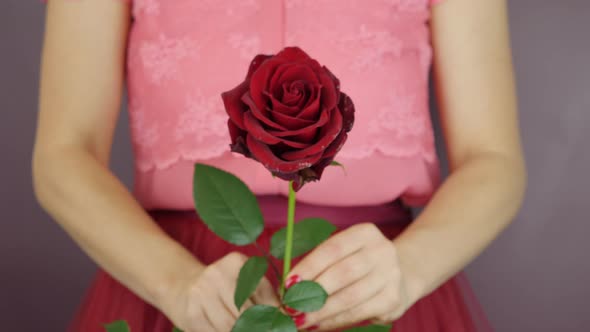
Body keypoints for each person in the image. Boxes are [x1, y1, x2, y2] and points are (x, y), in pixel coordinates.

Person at [33, 0, 526, 331]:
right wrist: (175, 284)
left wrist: (409, 269)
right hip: (178, 288)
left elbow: (494, 160)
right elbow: (64, 153)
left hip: (374, 285)